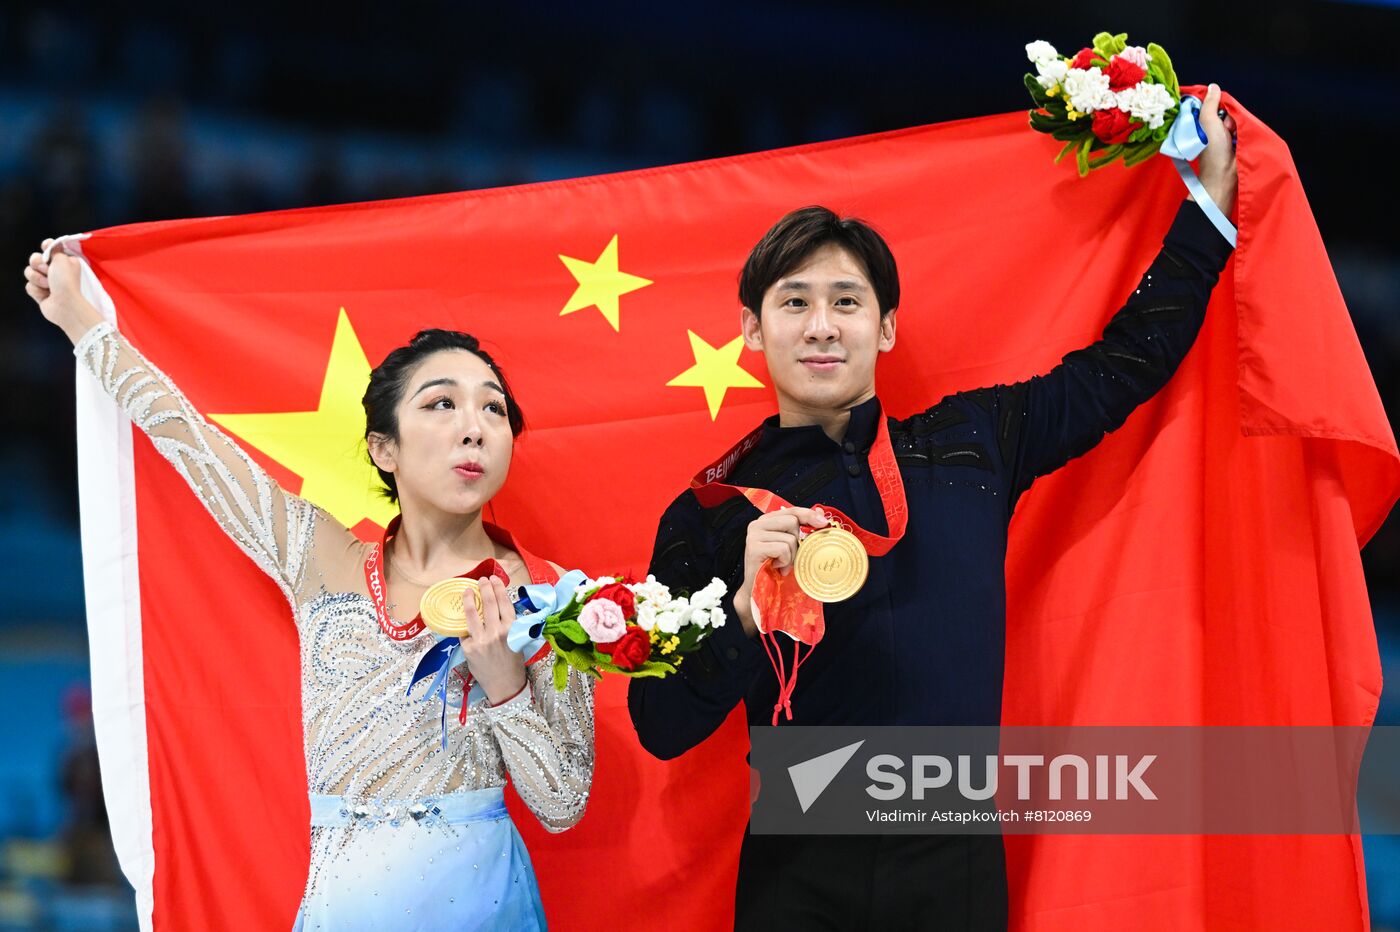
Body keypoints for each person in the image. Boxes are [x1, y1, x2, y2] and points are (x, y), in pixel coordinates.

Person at [629, 86, 1239, 930]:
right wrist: (741, 612)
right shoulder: (712, 512)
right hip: (799, 863)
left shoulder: (975, 441)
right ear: (752, 330)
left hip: (954, 854)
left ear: (885, 329)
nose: (821, 326)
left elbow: (1127, 361)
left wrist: (1209, 208)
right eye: (794, 302)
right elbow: (659, 725)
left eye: (847, 302)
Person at [24, 245, 594, 931]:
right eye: (442, 403)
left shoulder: (548, 594)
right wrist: (81, 321)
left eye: (494, 410)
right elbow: (190, 441)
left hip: (481, 906)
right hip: (339, 908)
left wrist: (506, 686)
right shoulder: (318, 557)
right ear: (384, 448)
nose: (473, 428)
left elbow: (563, 804)